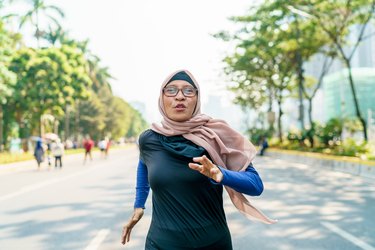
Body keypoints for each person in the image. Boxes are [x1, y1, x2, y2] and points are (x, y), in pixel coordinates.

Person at [121, 70, 276, 249]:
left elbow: (256, 185)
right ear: (161, 97)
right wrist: (139, 205)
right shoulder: (149, 139)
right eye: (171, 90)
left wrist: (221, 174)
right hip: (161, 243)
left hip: (213, 244)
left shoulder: (216, 136)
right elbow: (144, 166)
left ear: (197, 98)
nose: (180, 97)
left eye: (188, 91)